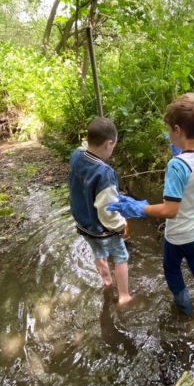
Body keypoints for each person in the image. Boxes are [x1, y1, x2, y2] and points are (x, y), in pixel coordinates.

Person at [108, 93, 194, 319]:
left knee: (172, 270)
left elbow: (170, 210)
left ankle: (185, 313)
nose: (169, 134)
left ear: (178, 130)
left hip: (179, 235)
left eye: (170, 130)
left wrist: (138, 208)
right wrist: (180, 152)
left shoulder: (177, 166)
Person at [68, 117, 132, 306]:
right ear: (109, 144)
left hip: (84, 224)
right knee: (121, 257)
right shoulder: (104, 173)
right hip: (101, 226)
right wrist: (121, 226)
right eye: (113, 146)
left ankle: (106, 282)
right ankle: (124, 296)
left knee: (99, 253)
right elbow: (107, 211)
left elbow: (82, 146)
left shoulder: (76, 155)